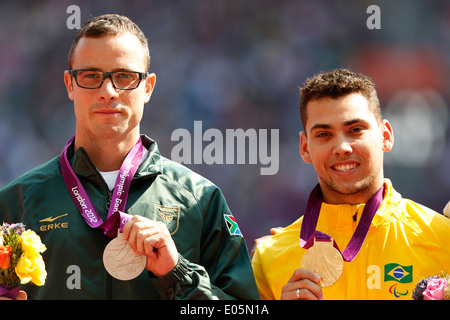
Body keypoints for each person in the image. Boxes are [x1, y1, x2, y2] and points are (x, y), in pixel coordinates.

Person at [0, 14, 259, 300]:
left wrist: (177, 273)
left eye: (124, 76)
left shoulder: (201, 200)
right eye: (91, 76)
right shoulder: (16, 202)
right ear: (69, 85)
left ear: (147, 87)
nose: (108, 92)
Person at [251, 68, 450, 300]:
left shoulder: (443, 240)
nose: (342, 147)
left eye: (355, 130)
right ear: (305, 147)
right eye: (324, 134)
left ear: (385, 135)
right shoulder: (268, 260)